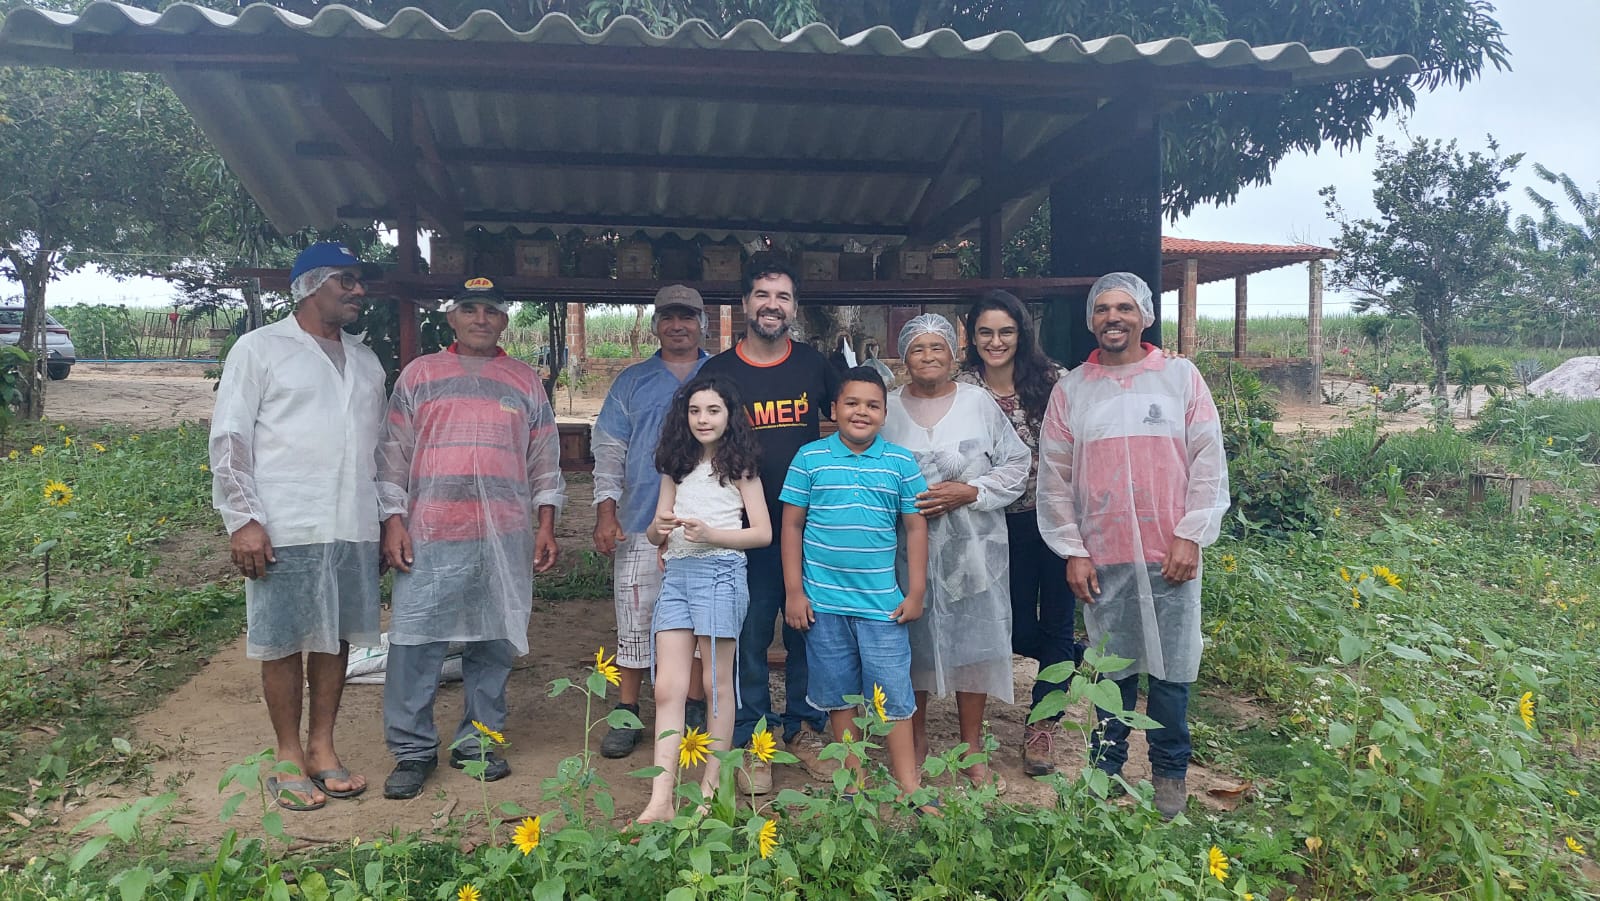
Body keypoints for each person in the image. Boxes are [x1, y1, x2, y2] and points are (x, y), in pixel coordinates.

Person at [1035, 272, 1229, 819]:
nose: (1113, 318)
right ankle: (1106, 771)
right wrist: (1072, 548)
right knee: (1110, 670)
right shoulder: (1071, 389)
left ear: (1144, 315)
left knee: (1170, 671)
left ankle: (1169, 776)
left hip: (1170, 553)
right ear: (1090, 320)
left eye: (1124, 307)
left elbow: (1208, 462)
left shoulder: (1179, 379)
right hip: (1103, 553)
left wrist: (1191, 535)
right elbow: (1054, 477)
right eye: (1102, 309)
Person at [209, 241, 386, 811]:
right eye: (347, 280)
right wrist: (244, 519)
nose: (358, 291)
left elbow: (379, 450)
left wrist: (384, 518)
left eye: (359, 281)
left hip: (352, 521)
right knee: (283, 641)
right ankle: (287, 755)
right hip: (285, 522)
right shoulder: (260, 349)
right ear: (310, 286)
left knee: (334, 637)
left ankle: (322, 747)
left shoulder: (366, 361)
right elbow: (230, 440)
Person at [375, 277, 565, 800]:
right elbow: (392, 452)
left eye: (491, 310)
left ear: (505, 320)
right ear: (452, 317)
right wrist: (393, 520)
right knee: (417, 640)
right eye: (470, 309)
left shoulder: (524, 380)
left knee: (493, 639)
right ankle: (412, 750)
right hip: (431, 532)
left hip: (503, 535)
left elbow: (544, 459)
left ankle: (478, 742)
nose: (481, 318)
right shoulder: (421, 375)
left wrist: (545, 523)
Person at [698, 257, 842, 794]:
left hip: (809, 525)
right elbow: (693, 444)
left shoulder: (813, 365)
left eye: (782, 296)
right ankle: (753, 738)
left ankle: (804, 727)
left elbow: (853, 417)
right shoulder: (718, 372)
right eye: (761, 294)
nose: (771, 305)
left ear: (794, 307)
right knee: (750, 635)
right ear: (744, 305)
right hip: (743, 532)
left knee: (810, 629)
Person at [882, 313, 1030, 792]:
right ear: (904, 358)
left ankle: (970, 747)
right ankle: (916, 737)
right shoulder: (886, 408)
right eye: (918, 349)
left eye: (937, 347)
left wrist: (972, 491)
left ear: (952, 354)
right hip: (904, 551)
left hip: (974, 548)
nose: (928, 357)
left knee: (974, 643)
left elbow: (1017, 461)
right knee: (911, 642)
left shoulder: (978, 402)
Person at [781, 367, 934, 811]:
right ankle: (854, 779)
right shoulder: (810, 459)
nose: (861, 412)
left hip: (882, 608)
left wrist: (916, 592)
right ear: (834, 410)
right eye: (851, 403)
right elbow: (792, 525)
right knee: (838, 694)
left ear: (885, 414)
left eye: (872, 405)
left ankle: (910, 784)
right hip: (823, 606)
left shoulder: (900, 463)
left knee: (893, 696)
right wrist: (794, 592)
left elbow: (916, 528)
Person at [635, 375, 770, 822]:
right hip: (677, 574)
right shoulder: (676, 464)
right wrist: (659, 531)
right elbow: (656, 526)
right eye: (694, 411)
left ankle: (712, 790)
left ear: (730, 416)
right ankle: (661, 798)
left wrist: (713, 535)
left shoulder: (741, 468)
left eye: (712, 410)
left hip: (721, 574)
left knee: (715, 686)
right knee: (667, 687)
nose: (702, 419)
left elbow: (763, 533)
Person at [954, 290, 1075, 777]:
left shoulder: (1054, 381)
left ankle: (1042, 726)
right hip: (992, 523)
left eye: (1006, 331)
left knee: (1059, 622)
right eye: (986, 332)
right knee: (1015, 627)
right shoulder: (963, 387)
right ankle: (1070, 658)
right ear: (972, 336)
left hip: (1055, 517)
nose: (996, 341)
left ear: (1022, 333)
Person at [592, 285, 711, 759]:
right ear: (655, 323)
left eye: (687, 317)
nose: (677, 326)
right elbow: (609, 449)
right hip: (641, 520)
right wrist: (606, 511)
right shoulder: (632, 381)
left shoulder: (718, 373)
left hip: (707, 524)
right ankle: (628, 711)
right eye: (668, 317)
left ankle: (695, 708)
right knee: (636, 618)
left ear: (702, 322)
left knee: (702, 620)